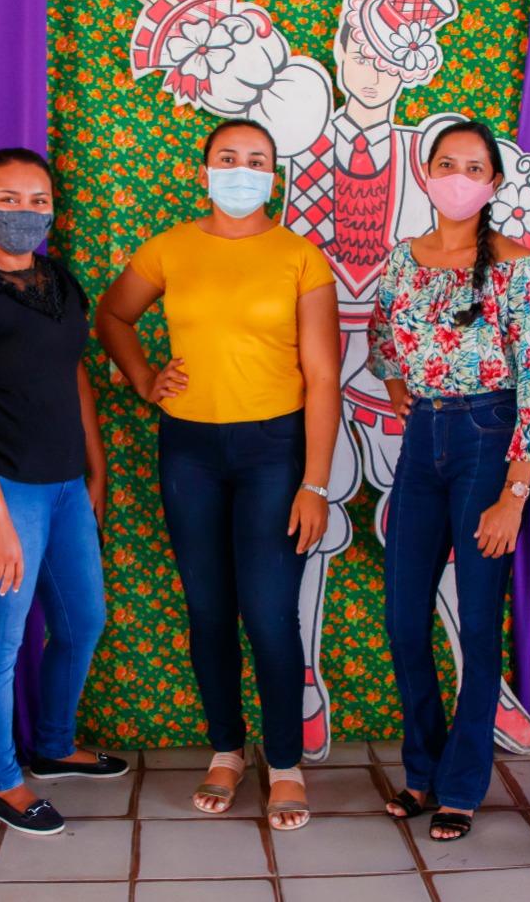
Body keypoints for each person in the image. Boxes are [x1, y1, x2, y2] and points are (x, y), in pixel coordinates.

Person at [96, 119, 341, 831]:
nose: (241, 168)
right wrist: (143, 377)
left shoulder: (300, 258)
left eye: (256, 159)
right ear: (204, 169)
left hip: (275, 452)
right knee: (208, 610)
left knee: (268, 612)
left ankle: (285, 762)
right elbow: (114, 315)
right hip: (189, 451)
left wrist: (315, 482)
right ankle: (228, 751)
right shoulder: (171, 247)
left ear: (276, 171)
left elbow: (323, 378)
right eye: (228, 158)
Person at [367, 121, 530, 842]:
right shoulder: (401, 260)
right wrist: (396, 384)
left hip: (492, 441)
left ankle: (460, 783)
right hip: (424, 442)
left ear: (492, 182)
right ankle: (420, 768)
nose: (458, 175)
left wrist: (515, 494)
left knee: (478, 624)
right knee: (402, 617)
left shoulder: (517, 265)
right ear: (425, 173)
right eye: (446, 163)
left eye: (473, 166)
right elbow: (382, 335)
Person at [0, 148, 127, 838]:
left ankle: (54, 742)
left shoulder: (59, 281)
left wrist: (93, 469)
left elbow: (73, 376)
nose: (25, 212)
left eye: (38, 200)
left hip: (65, 483)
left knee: (82, 621)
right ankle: (3, 783)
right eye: (8, 199)